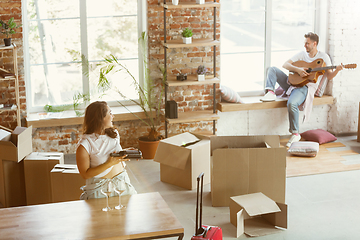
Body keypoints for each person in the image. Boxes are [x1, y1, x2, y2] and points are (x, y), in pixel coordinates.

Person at [260, 32, 343, 148]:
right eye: (305, 43)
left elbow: (329, 76)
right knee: (272, 69)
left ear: (315, 44)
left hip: (305, 87)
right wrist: (298, 70)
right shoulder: (302, 54)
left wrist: (337, 70)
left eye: (307, 43)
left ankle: (295, 133)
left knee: (292, 103)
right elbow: (285, 64)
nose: (305, 46)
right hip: (292, 84)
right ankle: (270, 92)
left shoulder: (323, 57)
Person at [76, 101, 137, 200]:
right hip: (99, 191)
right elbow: (85, 174)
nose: (113, 116)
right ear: (100, 118)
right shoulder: (84, 145)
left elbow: (109, 154)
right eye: (110, 113)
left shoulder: (114, 134)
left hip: (122, 185)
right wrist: (110, 163)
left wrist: (124, 152)